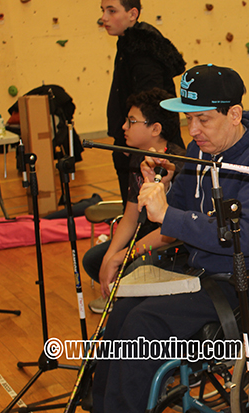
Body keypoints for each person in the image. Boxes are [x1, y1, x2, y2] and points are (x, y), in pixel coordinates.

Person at [92, 64, 249, 412]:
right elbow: (177, 217)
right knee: (124, 309)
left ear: (234, 114)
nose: (193, 129)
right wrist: (159, 190)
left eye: (203, 119)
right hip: (202, 272)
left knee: (143, 323)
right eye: (189, 119)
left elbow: (244, 238)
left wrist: (168, 214)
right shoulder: (199, 150)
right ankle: (100, 405)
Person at [82, 87, 185, 313]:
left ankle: (132, 306)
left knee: (132, 269)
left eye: (131, 121)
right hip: (143, 238)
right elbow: (130, 216)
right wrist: (111, 257)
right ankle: (122, 298)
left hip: (169, 245)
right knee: (94, 260)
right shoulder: (138, 156)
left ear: (155, 128)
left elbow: (171, 232)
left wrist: (124, 255)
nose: (124, 127)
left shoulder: (178, 164)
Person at [101, 0, 185, 206]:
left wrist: (134, 138)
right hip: (134, 135)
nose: (104, 18)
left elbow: (151, 101)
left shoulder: (142, 49)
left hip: (146, 142)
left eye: (112, 11)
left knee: (147, 205)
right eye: (103, 11)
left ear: (132, 14)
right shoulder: (127, 42)